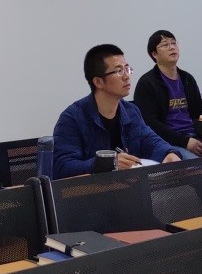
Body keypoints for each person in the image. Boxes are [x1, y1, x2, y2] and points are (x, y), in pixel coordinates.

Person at [53, 44, 188, 177]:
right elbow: (62, 167)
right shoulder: (72, 118)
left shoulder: (131, 111)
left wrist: (168, 153)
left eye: (127, 69)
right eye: (118, 71)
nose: (126, 76)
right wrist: (108, 163)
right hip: (92, 189)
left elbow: (149, 140)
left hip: (129, 186)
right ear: (98, 82)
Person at [133, 30, 202, 156]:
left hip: (195, 137)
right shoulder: (147, 83)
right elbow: (150, 123)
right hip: (168, 143)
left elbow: (201, 111)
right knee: (197, 164)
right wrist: (184, 141)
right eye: (165, 45)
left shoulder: (187, 79)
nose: (172, 47)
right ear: (154, 54)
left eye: (174, 43)